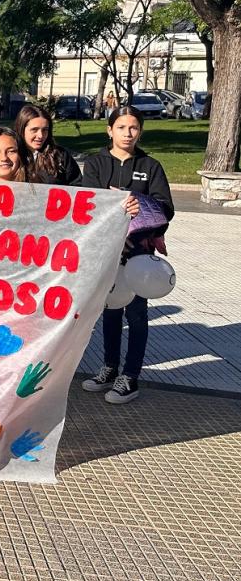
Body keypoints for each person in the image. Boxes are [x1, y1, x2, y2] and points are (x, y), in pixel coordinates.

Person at [80, 106, 173, 404]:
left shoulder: (151, 165)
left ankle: (130, 376)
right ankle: (109, 367)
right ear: (110, 130)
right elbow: (89, 202)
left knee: (136, 313)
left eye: (133, 128)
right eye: (121, 127)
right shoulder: (95, 163)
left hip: (138, 255)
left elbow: (165, 208)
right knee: (110, 308)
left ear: (140, 131)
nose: (127, 133)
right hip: (107, 252)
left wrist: (136, 202)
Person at [14, 104, 81, 185]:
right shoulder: (12, 155)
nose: (40, 136)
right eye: (34, 130)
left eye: (45, 130)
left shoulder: (60, 155)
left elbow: (77, 185)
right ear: (21, 129)